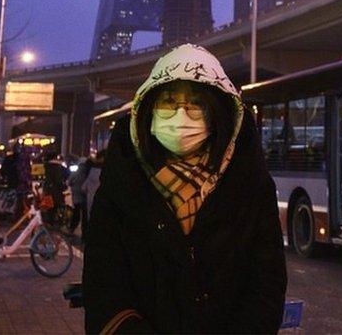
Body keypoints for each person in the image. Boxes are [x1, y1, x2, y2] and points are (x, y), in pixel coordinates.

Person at [84, 44, 286, 333]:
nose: (181, 115)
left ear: (217, 112)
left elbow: (267, 285)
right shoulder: (121, 186)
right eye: (168, 102)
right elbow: (104, 287)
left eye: (196, 103)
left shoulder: (250, 185)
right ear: (147, 110)